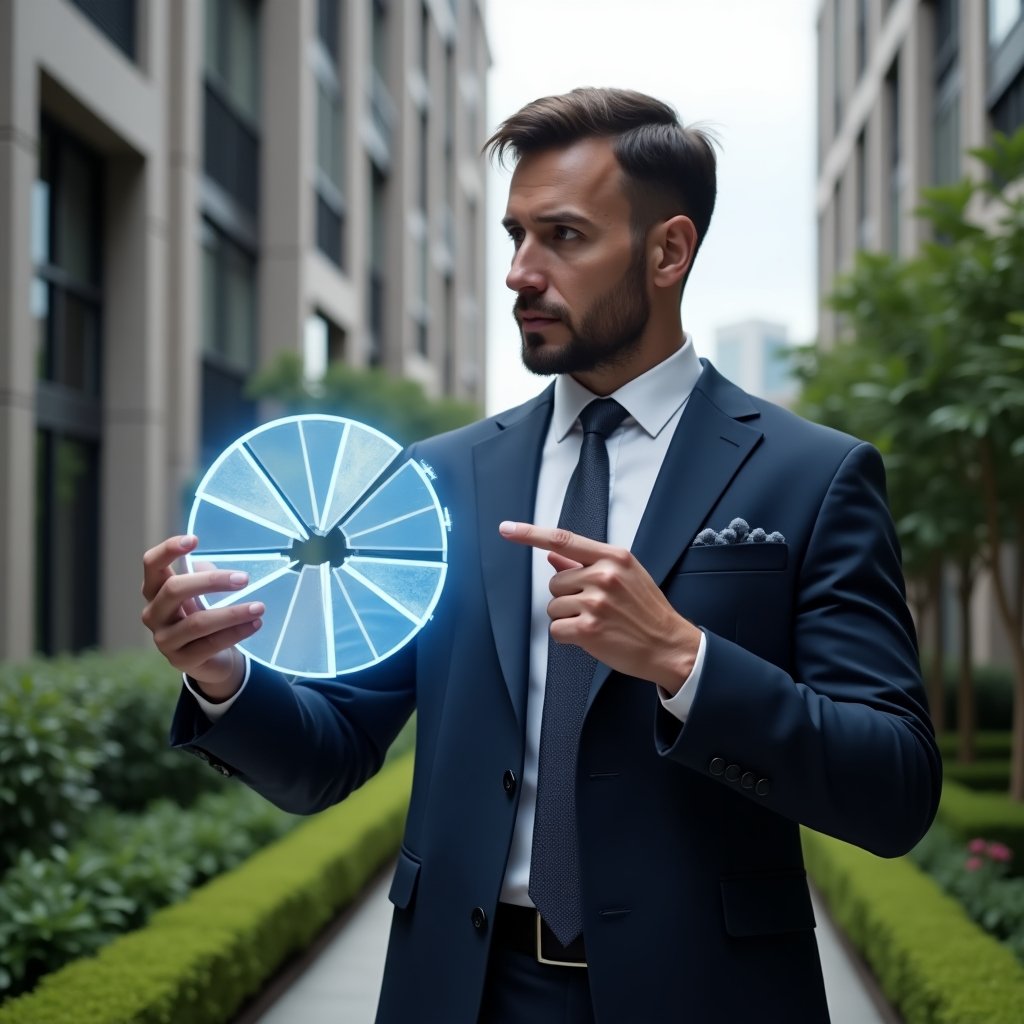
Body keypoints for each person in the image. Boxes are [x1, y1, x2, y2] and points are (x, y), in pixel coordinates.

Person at [141, 88, 942, 1024]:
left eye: (563, 237)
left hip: (707, 998)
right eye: (516, 235)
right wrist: (224, 677)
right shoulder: (440, 477)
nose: (522, 272)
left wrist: (686, 663)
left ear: (668, 251)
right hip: (464, 991)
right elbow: (332, 754)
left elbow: (893, 788)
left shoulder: (814, 476)